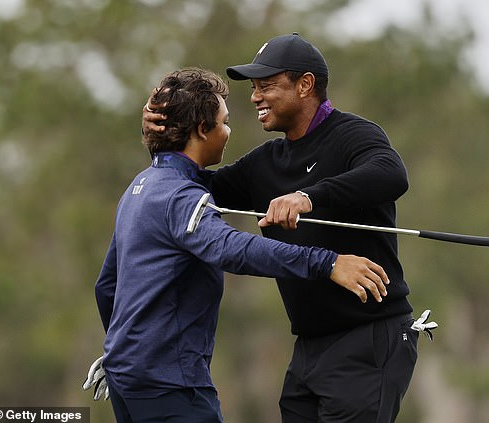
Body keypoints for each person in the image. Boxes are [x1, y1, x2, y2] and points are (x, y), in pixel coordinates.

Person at [142, 34, 425, 423]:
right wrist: (163, 137)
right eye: (254, 88)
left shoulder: (352, 134)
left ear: (305, 85)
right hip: (309, 349)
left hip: (369, 339)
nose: (255, 97)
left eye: (267, 86)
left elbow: (390, 174)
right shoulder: (265, 162)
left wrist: (307, 197)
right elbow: (187, 188)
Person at [84, 67, 391, 423]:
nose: (228, 132)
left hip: (127, 378)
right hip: (170, 385)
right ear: (203, 129)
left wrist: (121, 351)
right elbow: (233, 249)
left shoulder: (141, 187)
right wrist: (327, 263)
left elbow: (107, 286)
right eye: (225, 122)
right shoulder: (181, 196)